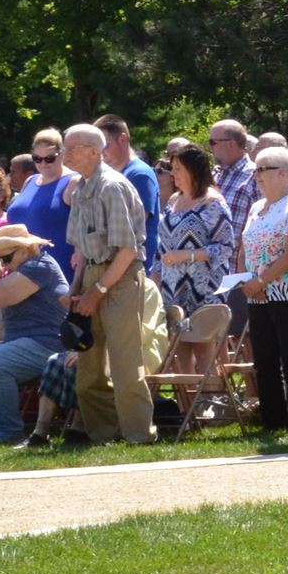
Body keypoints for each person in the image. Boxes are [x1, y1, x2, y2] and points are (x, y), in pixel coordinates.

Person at [57, 124, 154, 446]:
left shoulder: (111, 186)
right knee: (89, 365)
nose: (64, 154)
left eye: (71, 148)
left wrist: (96, 293)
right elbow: (83, 249)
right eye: (64, 148)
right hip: (93, 275)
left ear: (94, 151)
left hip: (121, 278)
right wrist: (75, 290)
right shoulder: (82, 187)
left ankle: (138, 436)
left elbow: (127, 251)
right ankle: (103, 436)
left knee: (126, 364)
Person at [0, 223, 69, 445]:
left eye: (6, 259)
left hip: (49, 344)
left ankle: (8, 431)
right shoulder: (25, 267)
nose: (4, 265)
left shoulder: (39, 266)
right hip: (24, 342)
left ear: (24, 250)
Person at [238, 146, 288, 431]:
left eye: (262, 169)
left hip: (287, 292)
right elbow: (246, 246)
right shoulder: (257, 207)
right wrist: (248, 280)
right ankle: (273, 420)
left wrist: (262, 280)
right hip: (258, 295)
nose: (256, 175)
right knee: (265, 360)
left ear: (282, 173)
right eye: (255, 170)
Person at [156, 145, 236, 390]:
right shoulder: (173, 200)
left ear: (194, 170)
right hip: (173, 287)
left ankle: (213, 399)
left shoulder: (212, 202)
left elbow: (225, 246)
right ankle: (188, 406)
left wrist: (186, 255)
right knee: (180, 345)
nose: (174, 174)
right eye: (172, 169)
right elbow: (164, 242)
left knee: (202, 346)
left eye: (178, 169)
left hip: (203, 287)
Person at [94, 115, 162, 272]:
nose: (100, 152)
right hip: (117, 267)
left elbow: (132, 227)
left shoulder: (139, 175)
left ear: (123, 139)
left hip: (134, 269)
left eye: (104, 145)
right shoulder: (112, 175)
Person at [6, 129, 75, 277]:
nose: (43, 163)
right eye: (37, 159)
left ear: (62, 154)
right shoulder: (30, 181)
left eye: (49, 158)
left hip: (58, 272)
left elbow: (85, 232)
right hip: (22, 271)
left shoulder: (73, 182)